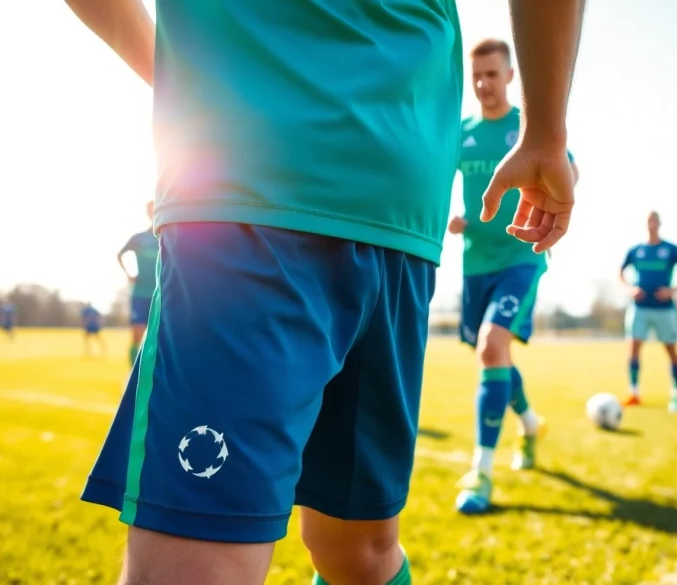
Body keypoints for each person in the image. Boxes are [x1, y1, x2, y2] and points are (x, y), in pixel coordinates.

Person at [64, 0, 584, 582]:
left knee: (340, 553)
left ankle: (498, 452)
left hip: (339, 216)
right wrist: (548, 130)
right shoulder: (464, 134)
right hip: (314, 201)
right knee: (284, 555)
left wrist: (543, 131)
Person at [447, 38, 580, 515]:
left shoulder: (527, 130)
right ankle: (529, 423)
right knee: (493, 354)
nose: (483, 83)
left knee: (490, 346)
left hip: (521, 259)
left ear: (510, 77)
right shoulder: (459, 132)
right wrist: (457, 220)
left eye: (492, 73)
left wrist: (561, 185)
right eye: (477, 74)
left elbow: (568, 167)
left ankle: (481, 472)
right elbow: (441, 185)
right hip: (475, 263)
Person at [619, 211, 677, 412]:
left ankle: (676, 395)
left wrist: (674, 290)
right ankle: (633, 392)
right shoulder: (635, 250)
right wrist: (629, 289)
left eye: (654, 220)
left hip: (664, 310)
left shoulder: (670, 249)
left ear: (659, 223)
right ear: (644, 223)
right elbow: (620, 272)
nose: (651, 223)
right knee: (633, 349)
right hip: (639, 308)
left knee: (671, 351)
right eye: (648, 220)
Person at [117, 201, 159, 364]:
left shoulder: (166, 238)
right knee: (137, 333)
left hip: (160, 293)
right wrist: (129, 274)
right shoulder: (139, 238)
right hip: (141, 292)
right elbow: (120, 254)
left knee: (159, 336)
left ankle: (154, 372)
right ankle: (132, 372)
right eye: (151, 210)